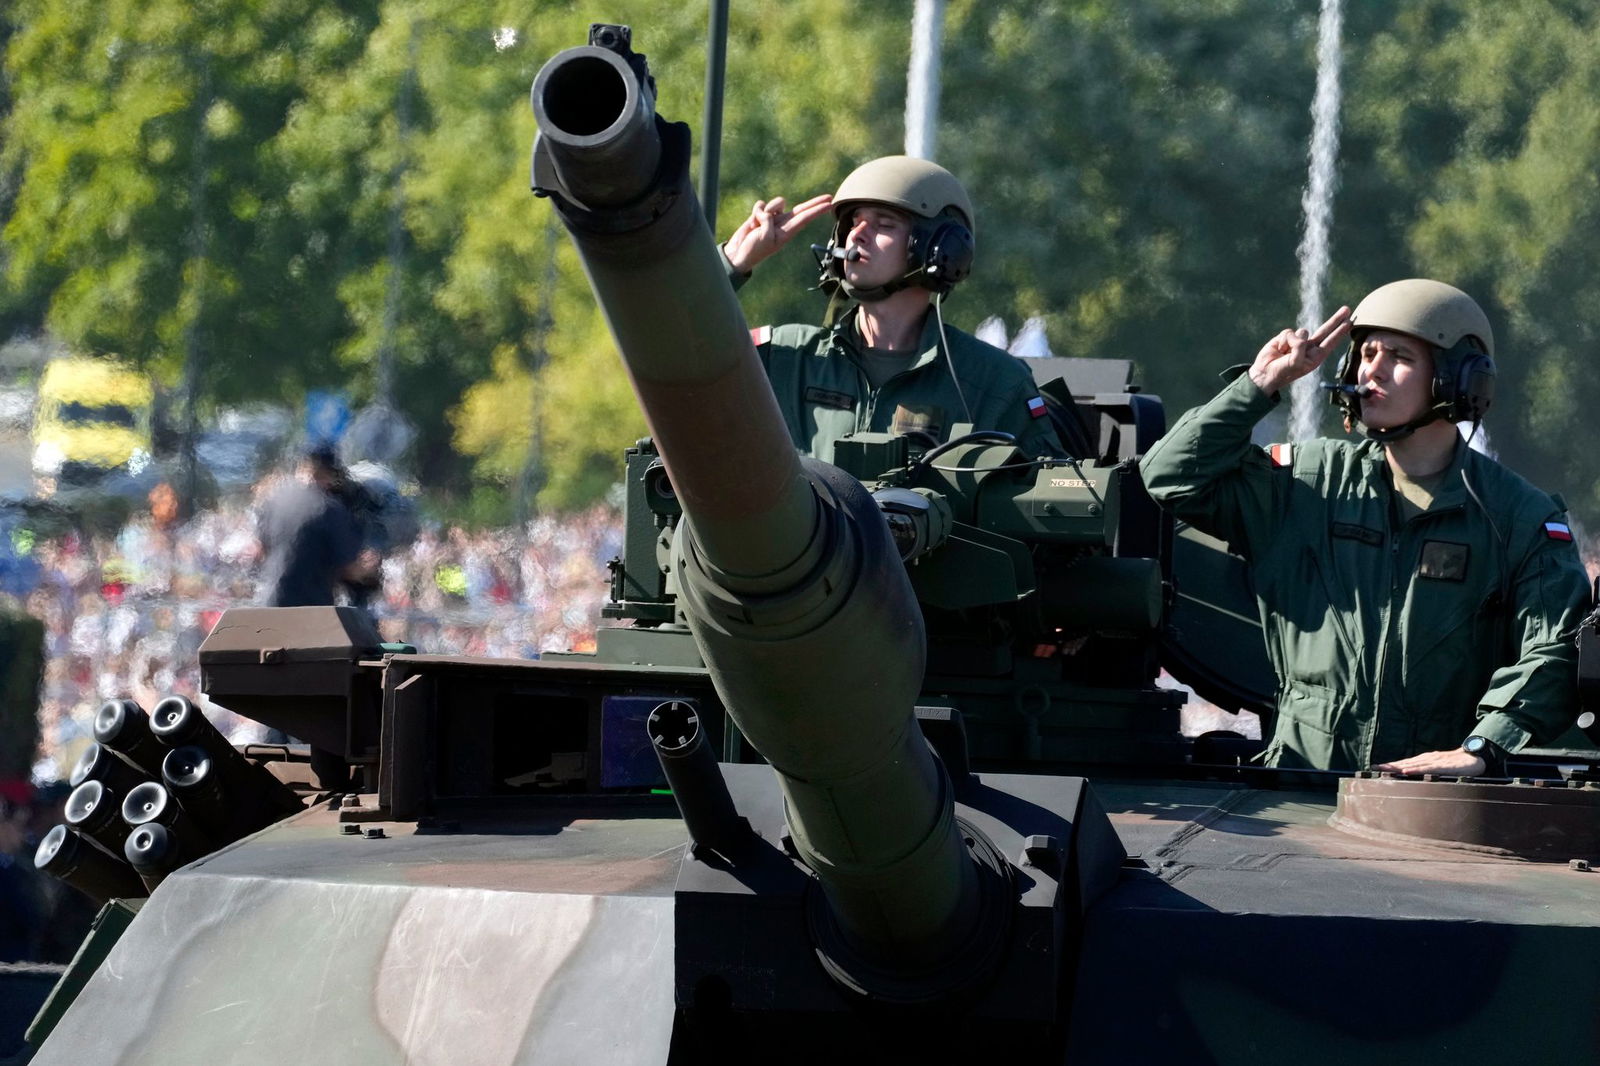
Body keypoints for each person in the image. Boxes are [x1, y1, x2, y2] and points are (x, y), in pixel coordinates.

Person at [1139, 280, 1590, 776]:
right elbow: (1170, 476)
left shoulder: (1517, 517)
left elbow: (1555, 646)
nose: (1370, 370)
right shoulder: (1307, 484)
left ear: (1457, 379)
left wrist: (1482, 749)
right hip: (1298, 781)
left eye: (1399, 355)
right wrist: (1258, 384)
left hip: (1433, 798)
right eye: (1366, 353)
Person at [720, 156, 1062, 461]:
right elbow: (674, 372)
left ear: (939, 250)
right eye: (854, 222)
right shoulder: (786, 358)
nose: (857, 235)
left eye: (884, 224)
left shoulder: (994, 382)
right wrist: (728, 267)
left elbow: (1048, 506)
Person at [256, 446, 376, 608]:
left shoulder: (274, 501)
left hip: (270, 603)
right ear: (330, 475)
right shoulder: (329, 509)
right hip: (310, 608)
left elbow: (263, 549)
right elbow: (350, 569)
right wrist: (370, 570)